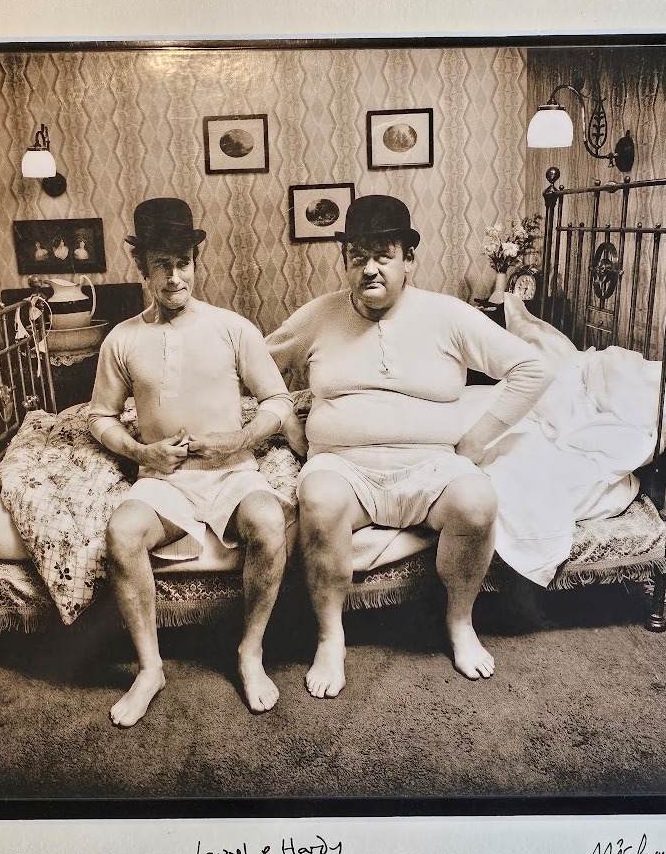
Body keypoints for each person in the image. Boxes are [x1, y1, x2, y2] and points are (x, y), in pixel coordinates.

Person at [267, 195, 554, 699]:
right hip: (344, 468)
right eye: (358, 256)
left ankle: (460, 623)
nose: (370, 269)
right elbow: (255, 364)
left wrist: (473, 442)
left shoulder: (448, 315)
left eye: (384, 255)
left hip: (431, 468)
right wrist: (289, 422)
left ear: (409, 260)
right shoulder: (318, 316)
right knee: (318, 499)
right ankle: (331, 637)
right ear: (344, 262)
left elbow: (533, 368)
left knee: (478, 501)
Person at [89, 198, 294, 727]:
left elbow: (278, 403)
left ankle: (250, 650)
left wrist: (238, 439)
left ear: (195, 263)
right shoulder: (122, 338)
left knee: (270, 522)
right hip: (165, 479)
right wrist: (141, 452)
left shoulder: (233, 328)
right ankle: (150, 668)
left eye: (183, 263)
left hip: (231, 473)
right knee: (122, 531)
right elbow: (100, 417)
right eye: (162, 265)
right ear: (141, 267)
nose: (175, 277)